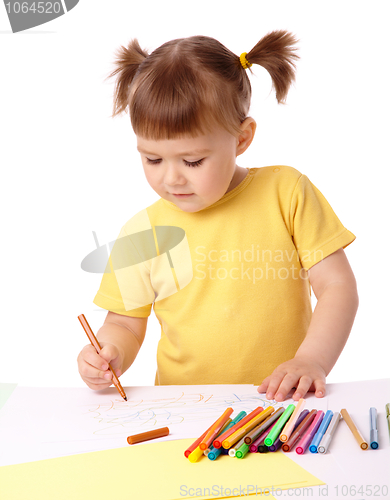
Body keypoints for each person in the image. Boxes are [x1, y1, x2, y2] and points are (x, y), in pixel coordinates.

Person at [77, 31, 359, 402]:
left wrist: (311, 360)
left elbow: (337, 288)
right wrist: (109, 352)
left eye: (192, 160)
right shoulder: (141, 232)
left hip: (283, 405)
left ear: (242, 139)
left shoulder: (286, 193)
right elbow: (125, 324)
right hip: (185, 413)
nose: (171, 177)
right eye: (153, 159)